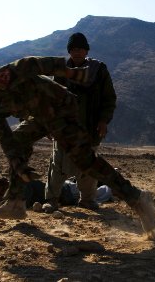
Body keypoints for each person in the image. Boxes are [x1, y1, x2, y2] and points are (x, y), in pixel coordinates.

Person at [0, 56, 155, 235]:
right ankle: (16, 203)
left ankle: (137, 198)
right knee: (20, 141)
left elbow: (28, 65)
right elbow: (7, 141)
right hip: (41, 116)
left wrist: (68, 71)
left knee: (84, 160)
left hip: (60, 106)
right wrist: (19, 166)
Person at [44, 32, 117, 212]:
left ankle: (87, 200)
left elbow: (109, 99)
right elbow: (51, 99)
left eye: (81, 49)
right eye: (74, 49)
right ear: (69, 51)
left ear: (86, 51)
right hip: (64, 128)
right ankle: (52, 199)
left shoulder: (98, 70)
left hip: (89, 127)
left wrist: (103, 120)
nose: (77, 52)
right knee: (57, 164)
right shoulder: (61, 70)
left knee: (88, 166)